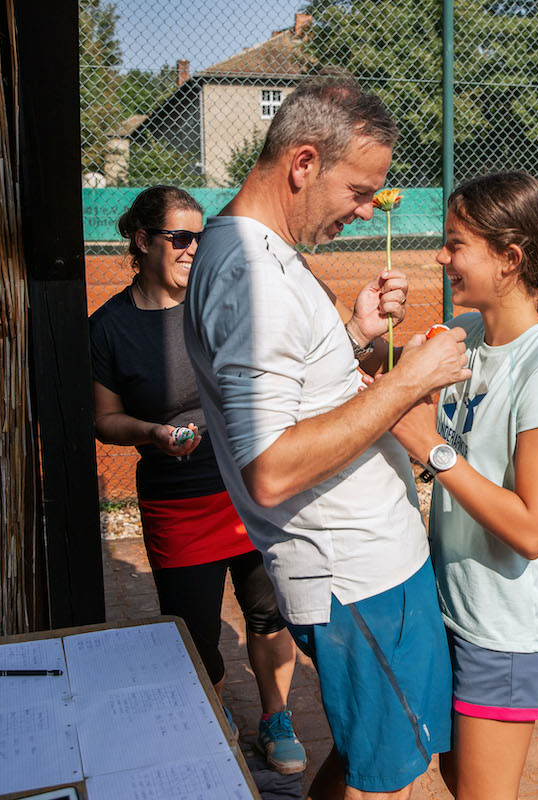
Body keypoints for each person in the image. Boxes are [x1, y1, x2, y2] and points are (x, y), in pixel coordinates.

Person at [182, 73, 471, 800]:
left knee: (364, 757)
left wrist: (354, 336)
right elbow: (272, 467)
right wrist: (409, 380)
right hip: (356, 574)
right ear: (304, 163)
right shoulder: (253, 276)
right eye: (360, 190)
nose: (368, 209)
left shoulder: (258, 255)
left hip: (369, 563)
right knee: (387, 778)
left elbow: (292, 393)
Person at [389, 172, 538, 800]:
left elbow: (534, 529)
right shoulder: (467, 331)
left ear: (510, 259)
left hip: (506, 628)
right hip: (455, 606)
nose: (441, 257)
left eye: (456, 244)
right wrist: (370, 335)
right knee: (458, 776)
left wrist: (431, 449)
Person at [89, 186, 306, 774]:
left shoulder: (219, 303)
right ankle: (214, 713)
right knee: (194, 632)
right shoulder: (108, 328)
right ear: (143, 241)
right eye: (180, 238)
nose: (193, 250)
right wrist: (151, 433)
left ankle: (276, 715)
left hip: (249, 488)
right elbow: (104, 419)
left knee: (268, 612)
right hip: (177, 502)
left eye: (200, 238)